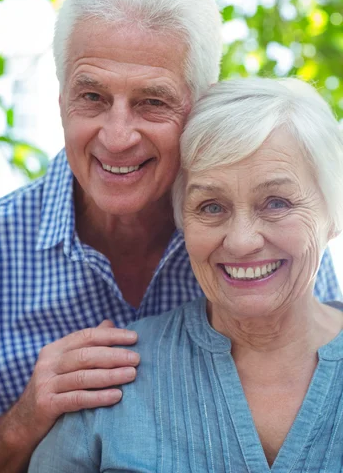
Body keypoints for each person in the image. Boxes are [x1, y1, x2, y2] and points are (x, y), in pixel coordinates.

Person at [0, 0, 338, 472]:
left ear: (199, 109)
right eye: (92, 97)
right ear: (61, 100)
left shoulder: (267, 248)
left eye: (153, 101)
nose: (118, 136)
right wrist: (23, 421)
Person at [29, 77, 343, 472]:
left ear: (332, 215)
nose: (242, 241)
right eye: (212, 207)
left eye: (276, 202)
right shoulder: (112, 380)